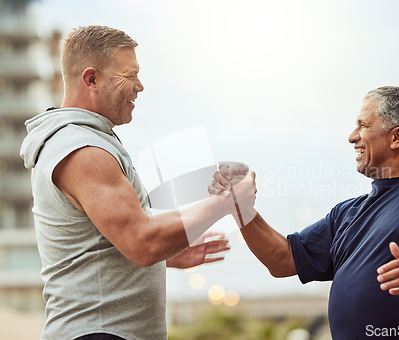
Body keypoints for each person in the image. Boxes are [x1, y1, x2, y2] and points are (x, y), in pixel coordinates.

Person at [20, 25, 256, 340]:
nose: (140, 86)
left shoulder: (87, 142)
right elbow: (142, 243)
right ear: (92, 79)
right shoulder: (84, 152)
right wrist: (226, 202)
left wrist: (168, 256)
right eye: (129, 76)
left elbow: (112, 241)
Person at [211, 86, 399, 339]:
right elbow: (283, 260)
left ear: (397, 136)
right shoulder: (347, 213)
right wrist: (240, 207)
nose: (352, 137)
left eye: (363, 126)